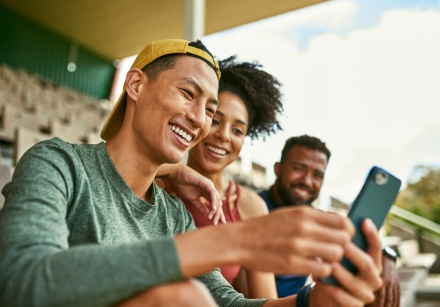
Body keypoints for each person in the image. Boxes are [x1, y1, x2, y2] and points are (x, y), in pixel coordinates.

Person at [0, 39, 383, 307]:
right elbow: (20, 280)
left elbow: (228, 303)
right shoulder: (58, 163)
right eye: (188, 94)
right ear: (135, 85)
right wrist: (234, 241)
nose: (200, 120)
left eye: (209, 108)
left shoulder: (174, 213)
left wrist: (311, 301)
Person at [157, 55, 283, 299]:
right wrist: (174, 170)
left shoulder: (250, 208)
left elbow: (265, 300)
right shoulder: (157, 183)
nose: (224, 136)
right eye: (215, 120)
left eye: (237, 130)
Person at [259, 134, 400, 307]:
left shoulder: (315, 219)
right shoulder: (252, 210)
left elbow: (355, 237)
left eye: (317, 175)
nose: (307, 181)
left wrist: (387, 257)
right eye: (298, 168)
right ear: (278, 168)